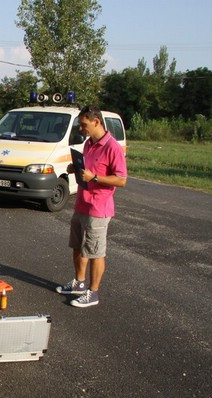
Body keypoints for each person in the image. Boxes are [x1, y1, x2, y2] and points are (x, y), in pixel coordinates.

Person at [56, 105, 127, 307]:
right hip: (82, 203)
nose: (81, 129)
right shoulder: (88, 143)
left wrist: (94, 177)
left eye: (83, 124)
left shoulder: (112, 147)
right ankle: (79, 283)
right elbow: (88, 169)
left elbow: (121, 180)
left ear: (96, 122)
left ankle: (93, 292)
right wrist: (76, 168)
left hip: (98, 208)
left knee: (95, 252)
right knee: (77, 246)